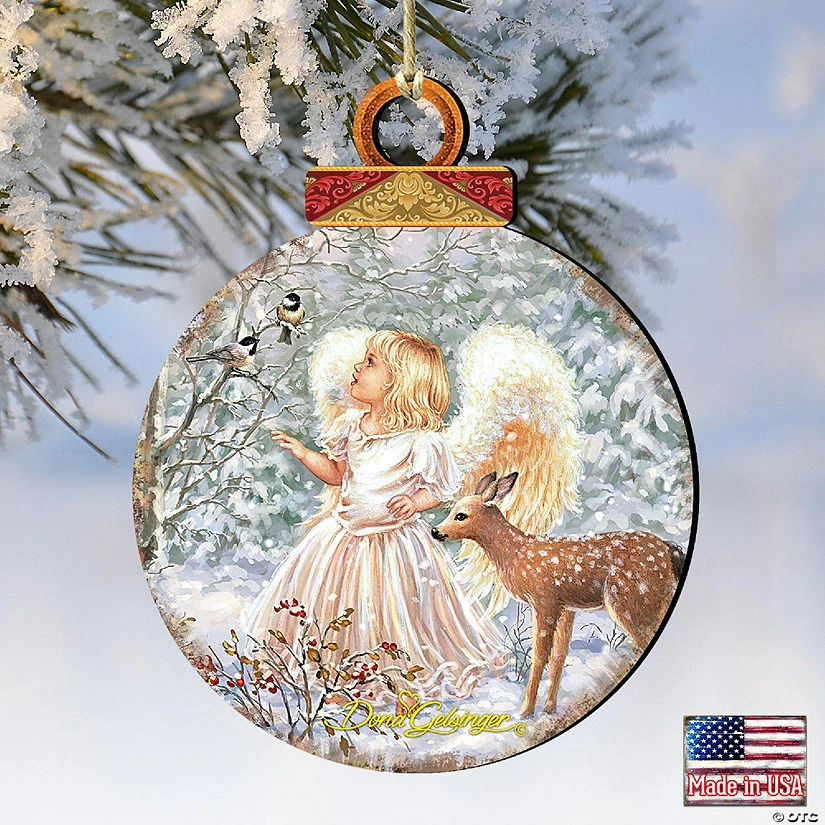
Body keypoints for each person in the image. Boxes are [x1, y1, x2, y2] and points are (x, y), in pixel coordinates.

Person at [243, 329, 506, 700]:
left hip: (394, 545)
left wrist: (415, 503)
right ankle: (334, 670)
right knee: (336, 603)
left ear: (396, 382)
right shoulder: (351, 426)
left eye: (369, 363)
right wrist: (304, 454)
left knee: (389, 610)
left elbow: (439, 490)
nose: (357, 367)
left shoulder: (421, 440)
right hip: (341, 537)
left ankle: (389, 673)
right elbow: (338, 475)